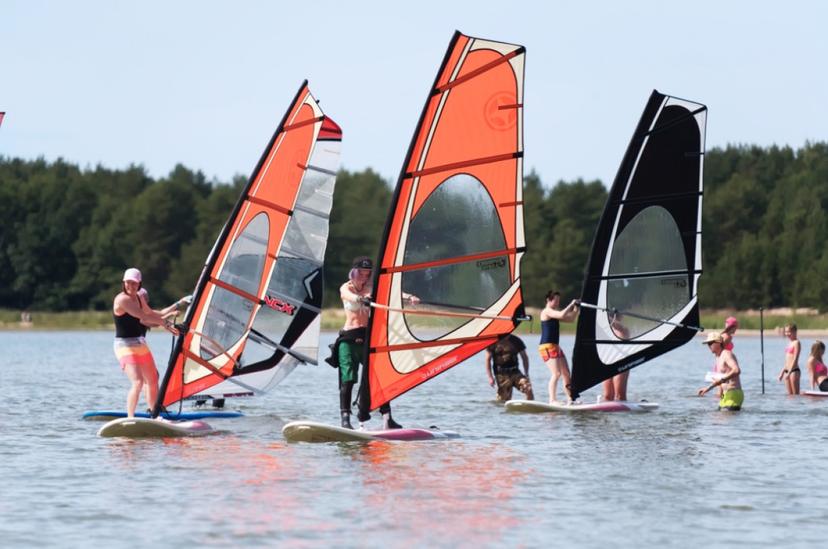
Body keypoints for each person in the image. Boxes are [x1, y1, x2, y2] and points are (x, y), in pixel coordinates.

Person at [331, 256, 418, 430]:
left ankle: (387, 419)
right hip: (348, 340)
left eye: (367, 274)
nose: (364, 277)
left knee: (379, 377)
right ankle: (345, 419)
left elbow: (391, 293)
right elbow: (348, 296)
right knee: (348, 379)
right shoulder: (345, 288)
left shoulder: (371, 288)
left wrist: (409, 297)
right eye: (361, 274)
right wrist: (361, 299)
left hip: (367, 340)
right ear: (353, 273)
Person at [112, 268, 181, 417]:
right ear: (123, 283)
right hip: (124, 345)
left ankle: (153, 413)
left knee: (153, 378)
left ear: (139, 284)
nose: (131, 286)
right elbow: (142, 316)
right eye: (128, 283)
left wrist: (175, 308)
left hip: (139, 344)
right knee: (137, 382)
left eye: (134, 283)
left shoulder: (139, 297)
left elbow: (150, 313)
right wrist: (166, 324)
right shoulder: (121, 299)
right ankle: (130, 417)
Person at [538, 290, 579, 403]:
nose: (557, 303)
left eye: (558, 301)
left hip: (555, 347)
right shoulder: (547, 311)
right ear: (548, 300)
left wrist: (576, 308)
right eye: (555, 301)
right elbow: (561, 314)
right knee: (556, 373)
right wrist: (571, 304)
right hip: (546, 347)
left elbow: (571, 319)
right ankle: (552, 400)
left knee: (566, 373)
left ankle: (570, 399)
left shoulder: (554, 314)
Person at [697, 331, 743, 411]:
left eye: (710, 343)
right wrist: (707, 388)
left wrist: (722, 380)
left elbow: (737, 370)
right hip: (725, 394)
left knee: (723, 420)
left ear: (718, 343)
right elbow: (720, 380)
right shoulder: (718, 357)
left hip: (733, 392)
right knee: (716, 418)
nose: (709, 346)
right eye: (708, 344)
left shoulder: (726, 354)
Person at [485, 333, 534, 402]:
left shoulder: (516, 340)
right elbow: (488, 360)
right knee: (503, 401)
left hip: (515, 372)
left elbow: (524, 357)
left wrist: (526, 374)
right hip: (501, 374)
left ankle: (530, 406)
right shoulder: (493, 341)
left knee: (527, 387)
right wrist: (490, 377)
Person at [603, 311, 631, 401]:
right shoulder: (604, 331)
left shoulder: (624, 330)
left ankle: (622, 414)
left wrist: (602, 315)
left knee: (619, 395)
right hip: (608, 363)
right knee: (607, 396)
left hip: (621, 364)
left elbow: (616, 325)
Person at [777, 323, 801, 395]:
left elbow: (795, 359)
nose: (787, 334)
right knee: (789, 396)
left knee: (795, 396)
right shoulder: (789, 343)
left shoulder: (797, 343)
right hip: (786, 371)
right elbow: (787, 361)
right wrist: (782, 373)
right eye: (786, 332)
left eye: (789, 332)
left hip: (794, 371)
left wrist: (790, 372)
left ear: (795, 332)